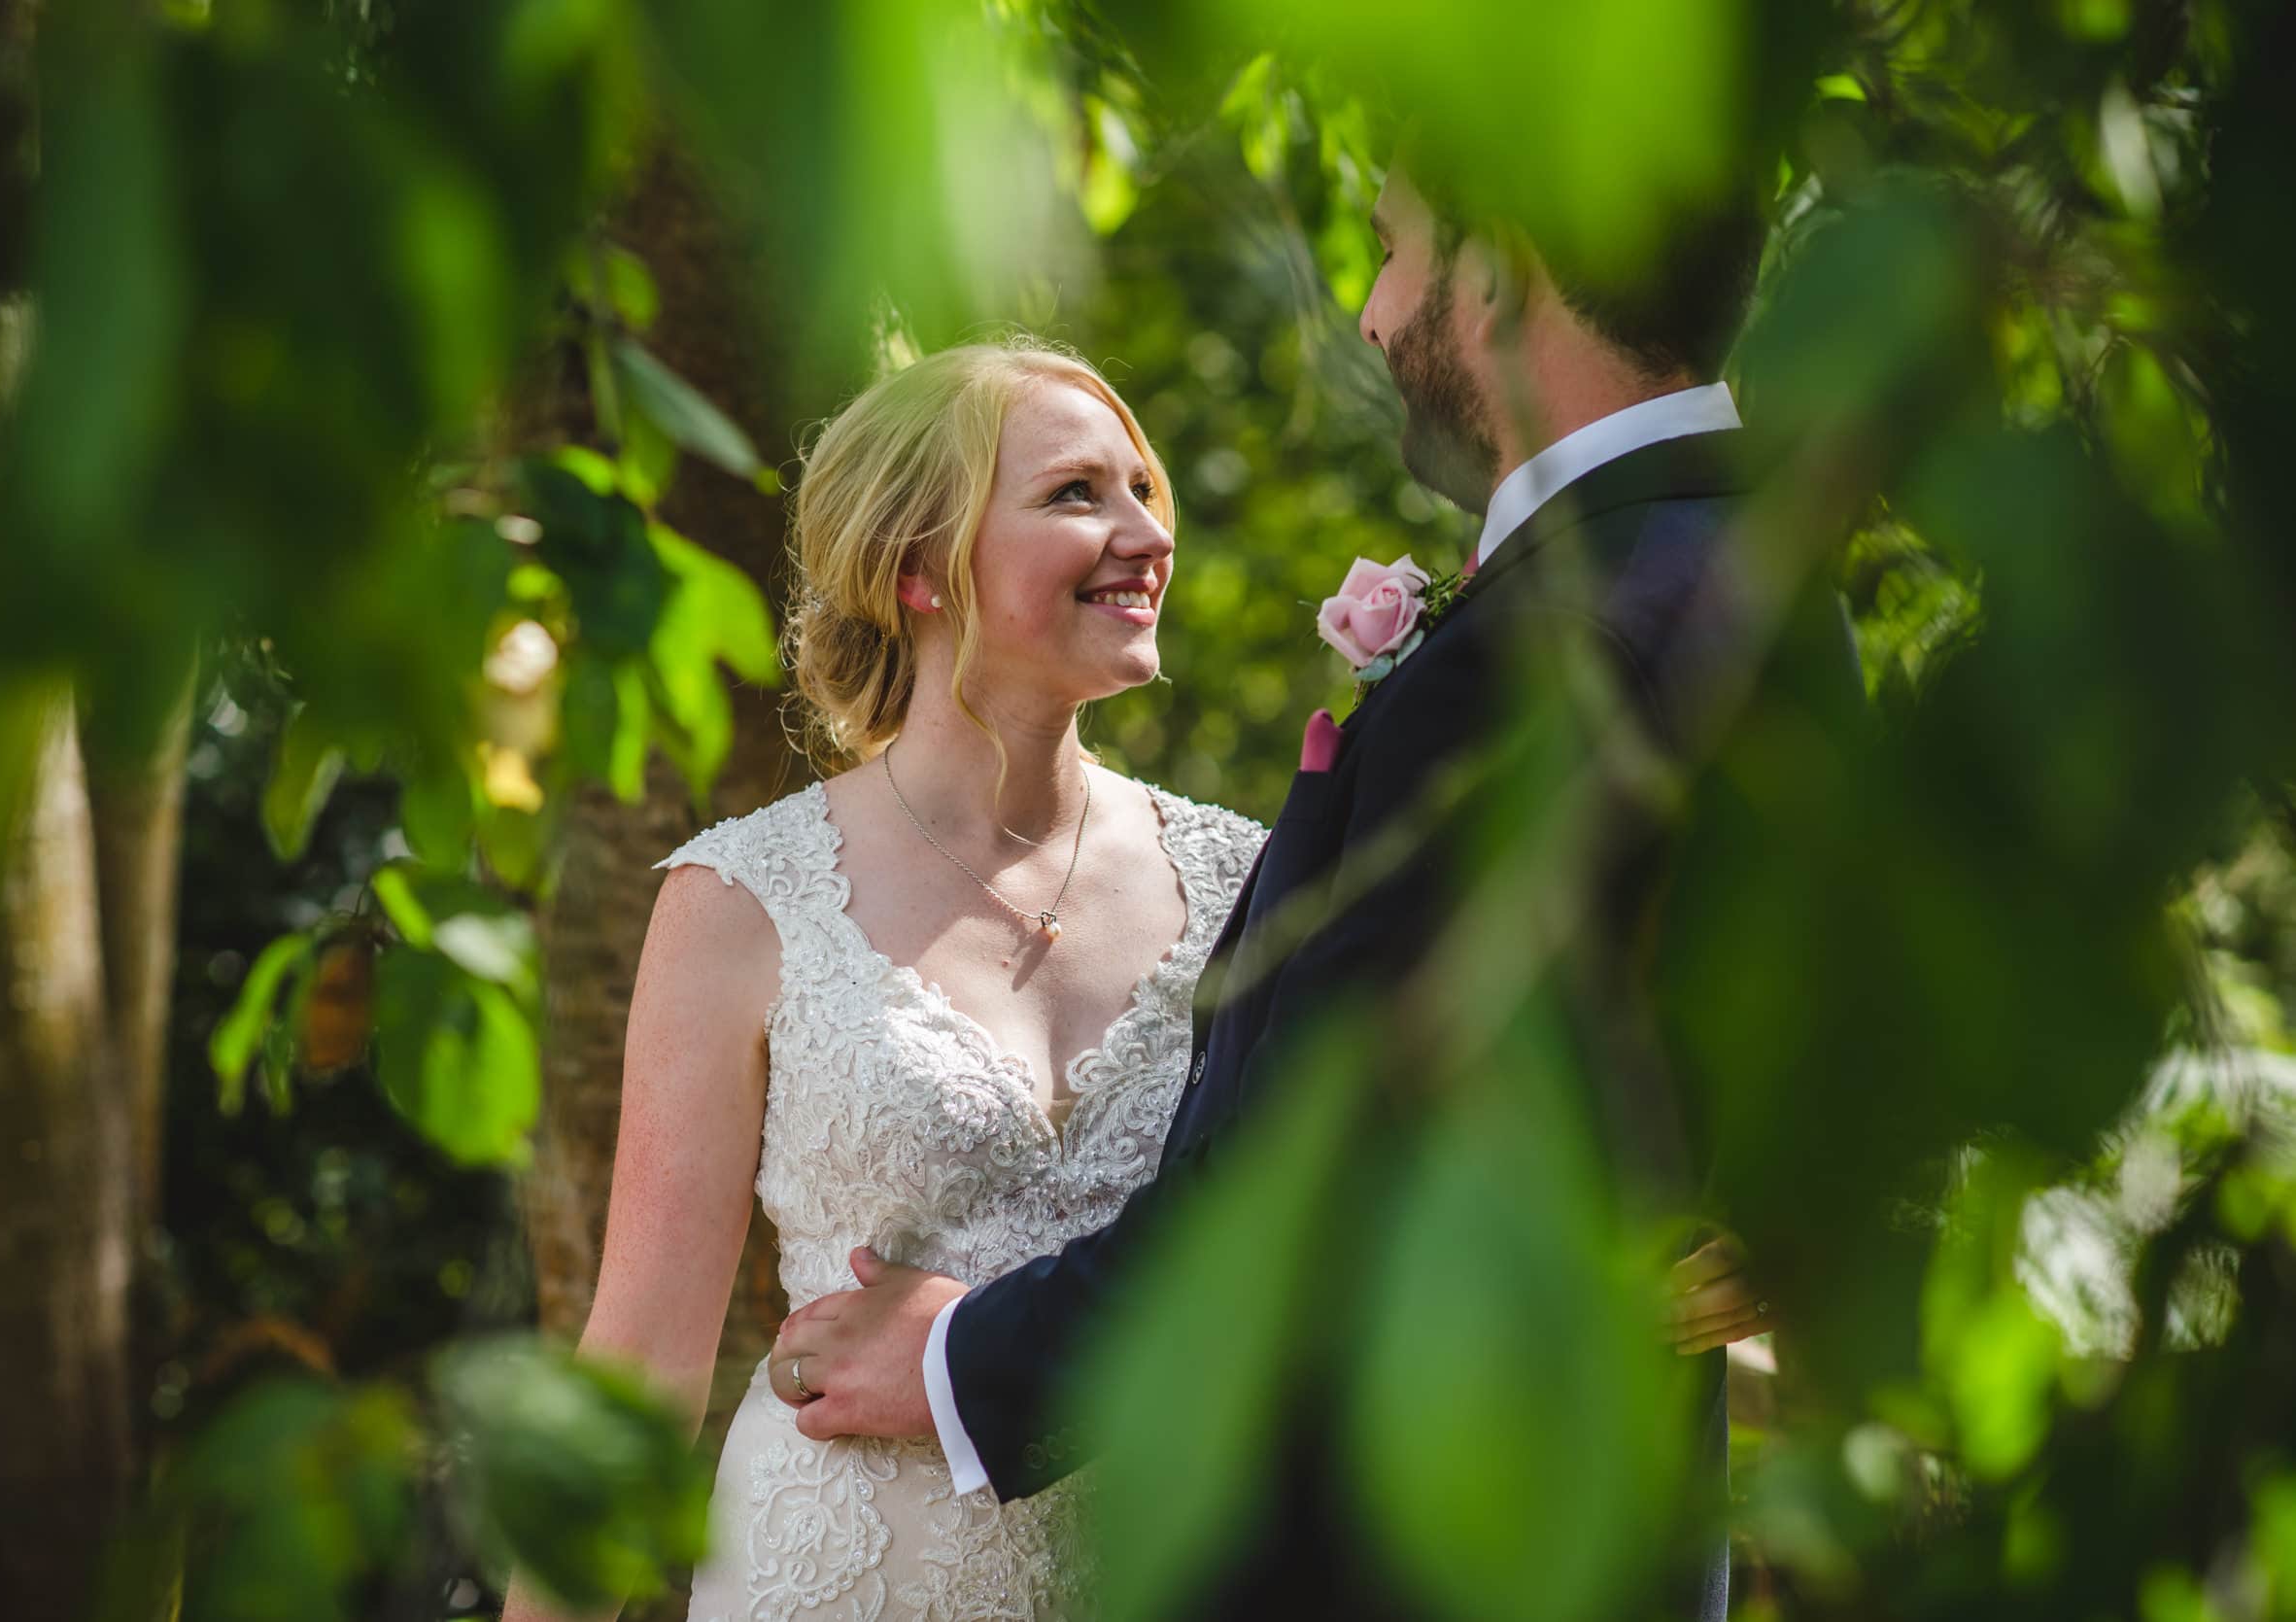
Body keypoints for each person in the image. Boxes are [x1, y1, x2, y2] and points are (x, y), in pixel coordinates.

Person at [765, 154, 1804, 1620]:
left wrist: (956, 1358)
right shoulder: (1756, 570)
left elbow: (1317, 1169)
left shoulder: (1556, 632)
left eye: (1392, 251)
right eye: (1073, 492)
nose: (1374, 321)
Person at [497, 339, 1268, 1622]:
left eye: (1142, 488)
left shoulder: (1250, 883)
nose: (1145, 533)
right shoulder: (742, 900)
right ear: (917, 567)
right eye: (1078, 494)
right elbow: (636, 1366)